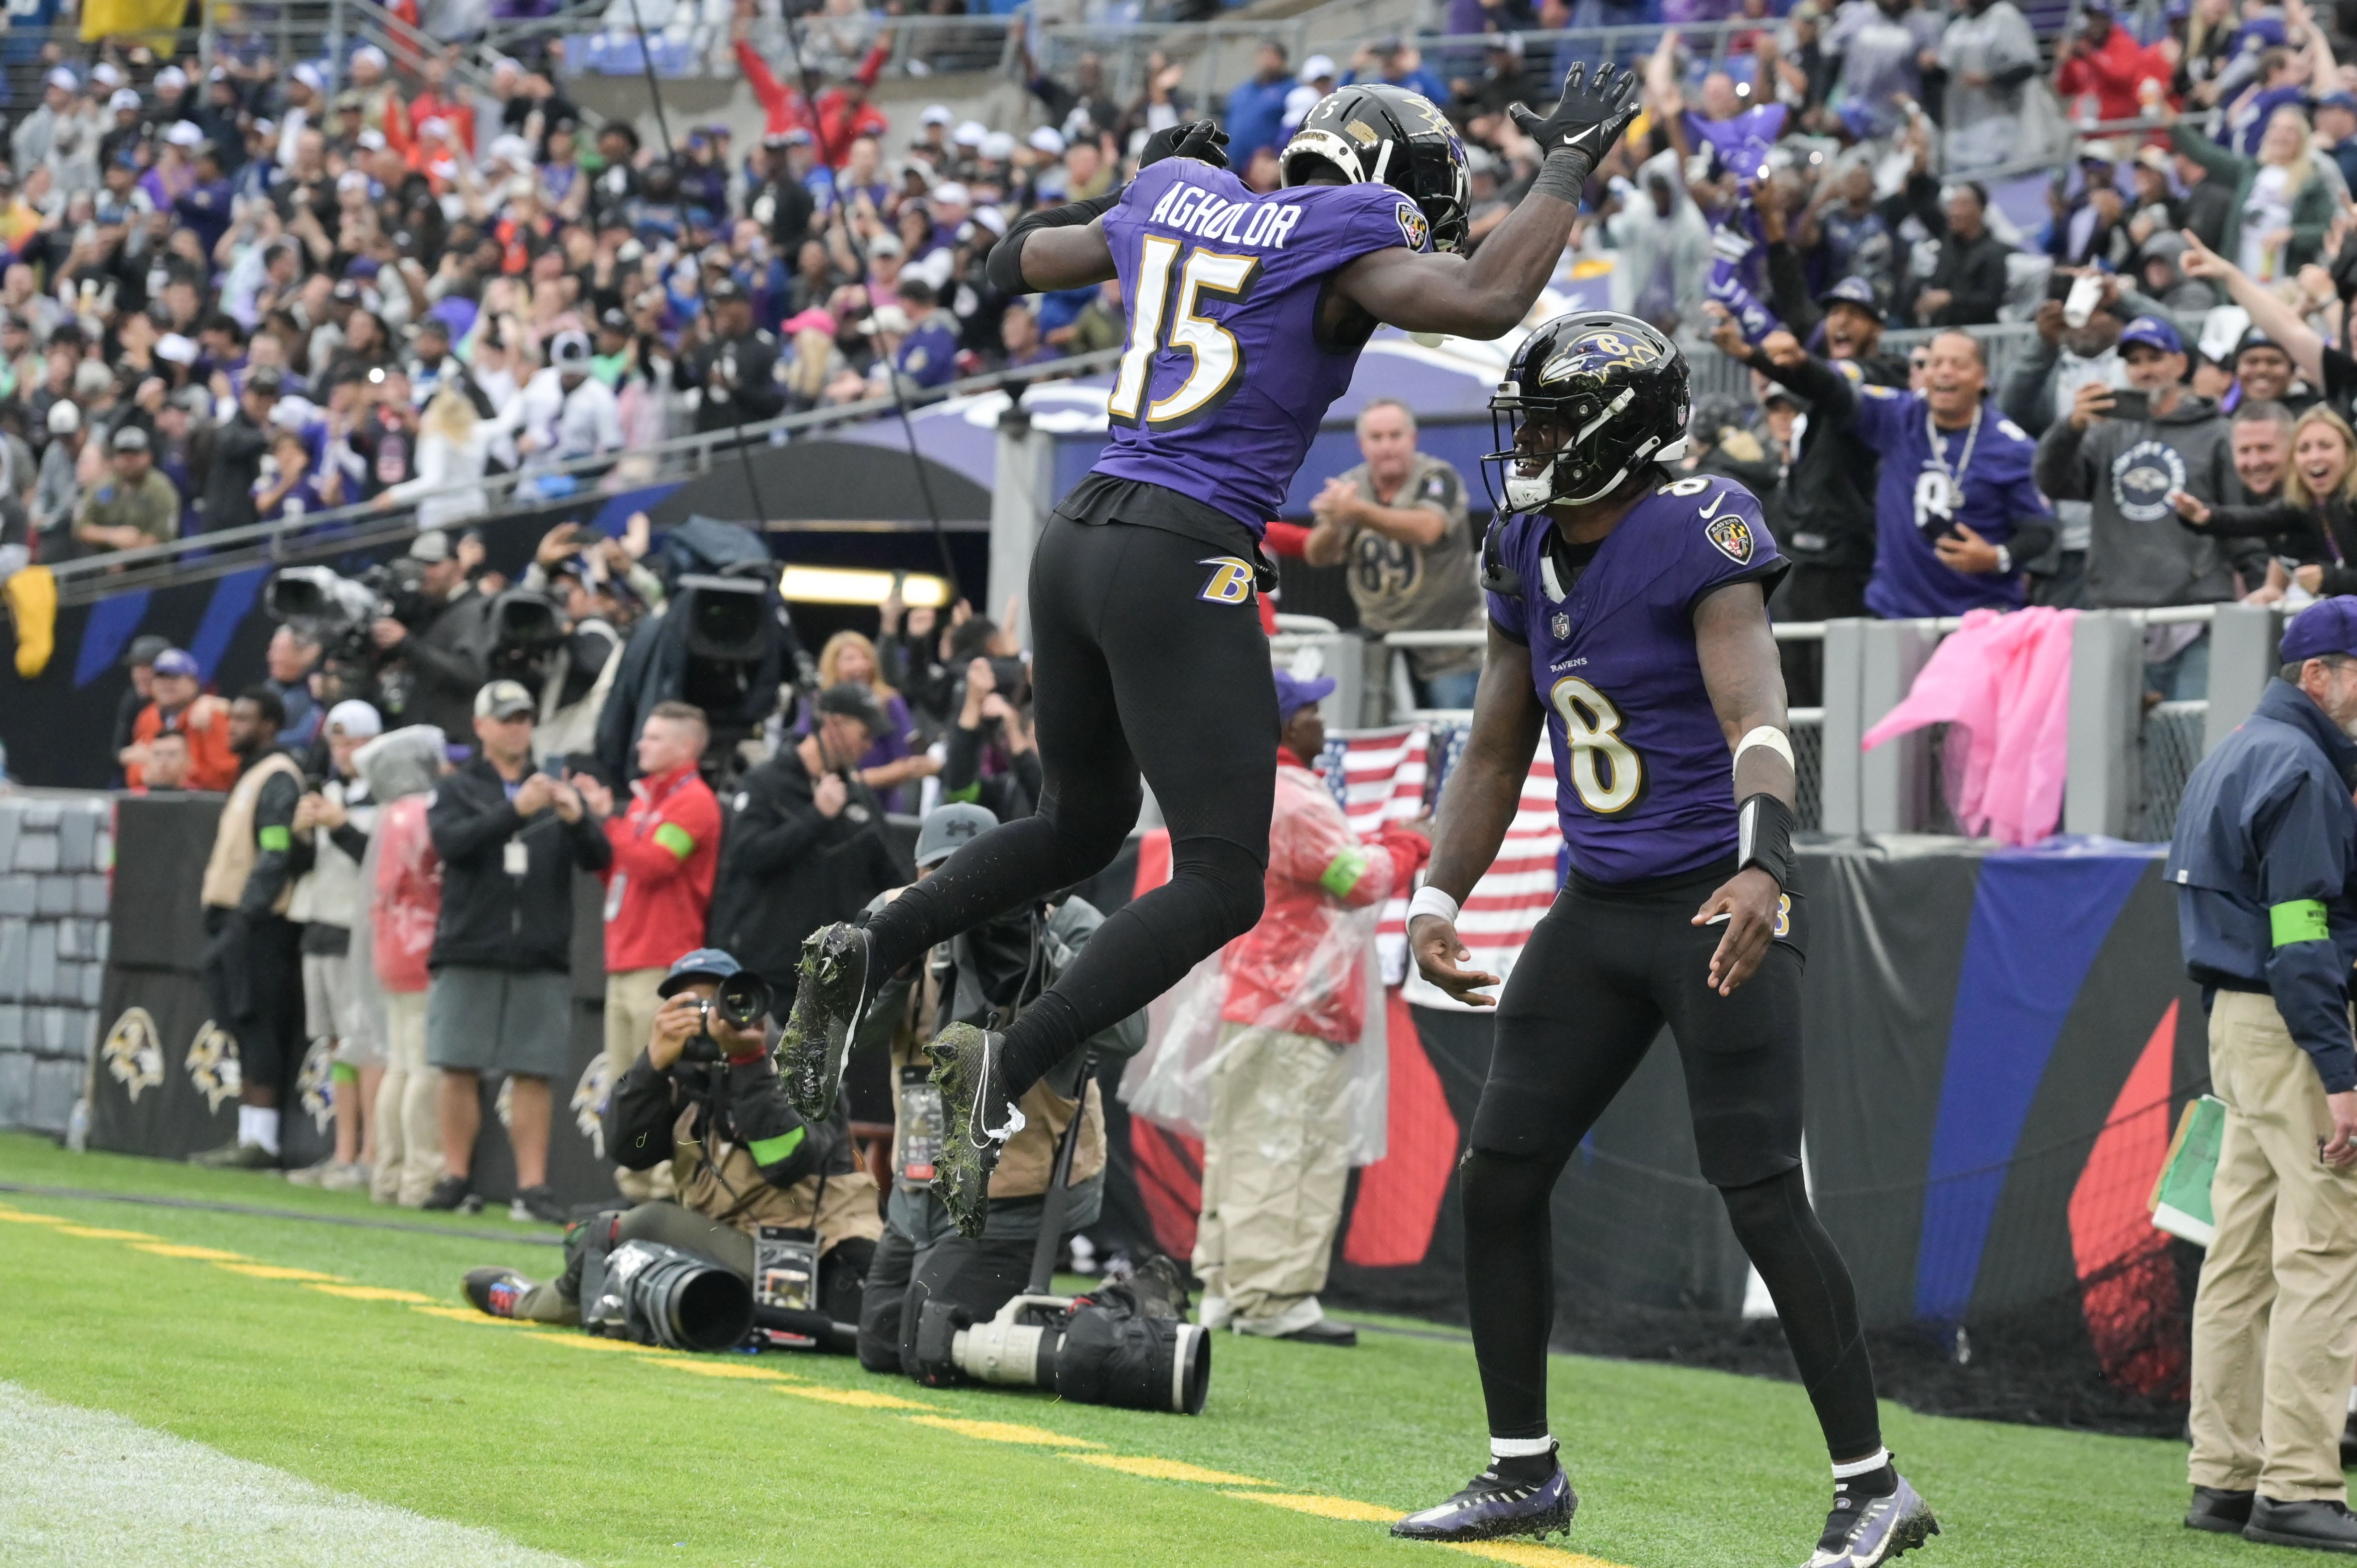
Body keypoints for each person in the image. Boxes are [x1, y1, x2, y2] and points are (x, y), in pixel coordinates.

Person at [783, 70, 1645, 1241]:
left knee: (1081, 821)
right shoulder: (1341, 233)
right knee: (1222, 873)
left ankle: (874, 939)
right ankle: (1004, 1065)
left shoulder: (1173, 196)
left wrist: (1139, 179)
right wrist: (1564, 166)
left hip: (1076, 535)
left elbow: (1006, 264)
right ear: (1387, 182)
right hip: (1184, 548)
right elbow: (1491, 297)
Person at [1389, 311, 1934, 1557]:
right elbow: (1493, 743)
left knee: (1757, 1193)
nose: (1524, 443)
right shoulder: (1521, 541)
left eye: (1546, 421)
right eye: (1520, 419)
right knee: (1502, 1171)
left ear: (1619, 432)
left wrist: (1763, 863)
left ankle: (1872, 1484)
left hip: (1714, 893)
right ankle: (1521, 1469)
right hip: (1596, 903)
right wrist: (1434, 895)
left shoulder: (1699, 524)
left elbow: (1755, 713)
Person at [2166, 598, 2357, 1552]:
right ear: (2317, 675)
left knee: (2236, 1254)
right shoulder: (2302, 769)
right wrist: (2338, 1069)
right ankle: (2297, 1484)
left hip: (2235, 1026)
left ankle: (2223, 1477)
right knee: (2321, 1244)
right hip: (2289, 1028)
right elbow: (2301, 936)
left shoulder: (2233, 750)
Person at [851, 802, 1147, 1377]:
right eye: (940, 879)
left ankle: (1129, 1308)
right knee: (882, 1348)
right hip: (918, 1192)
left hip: (1014, 1194)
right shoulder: (894, 918)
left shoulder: (1063, 921)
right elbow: (847, 1044)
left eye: (974, 876)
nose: (958, 896)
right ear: (917, 879)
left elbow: (1129, 1035)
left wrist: (1040, 948)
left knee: (928, 1348)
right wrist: (898, 964)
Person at [460, 947, 882, 1336]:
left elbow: (787, 1162)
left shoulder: (798, 1064)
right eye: (687, 1008)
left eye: (716, 1005)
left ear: (748, 1005)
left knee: (639, 1226)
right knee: (591, 1233)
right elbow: (631, 1151)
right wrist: (651, 1067)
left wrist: (747, 1065)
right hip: (739, 1252)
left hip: (821, 1259)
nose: (704, 1019)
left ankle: (529, 1303)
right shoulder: (686, 1080)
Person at [1194, 670, 1426, 1346]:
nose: (1324, 723)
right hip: (1296, 1003)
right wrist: (1410, 843)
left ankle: (1223, 1286)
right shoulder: (1291, 795)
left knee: (1238, 1147)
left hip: (1252, 995)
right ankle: (1274, 1298)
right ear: (1283, 723)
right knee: (1288, 1150)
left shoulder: (1242, 783)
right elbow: (1355, 880)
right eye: (1311, 711)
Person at [421, 680, 613, 1222]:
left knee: (534, 1070)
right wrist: (515, 813)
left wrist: (577, 819)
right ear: (481, 726)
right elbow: (451, 846)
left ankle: (532, 1187)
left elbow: (599, 856)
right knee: (457, 1064)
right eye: (506, 718)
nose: (517, 727)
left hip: (539, 950)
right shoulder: (459, 787)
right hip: (470, 944)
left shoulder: (555, 787)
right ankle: (456, 1175)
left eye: (525, 718)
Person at [1752, 327, 2052, 618]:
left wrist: (1995, 557)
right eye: (1935, 363)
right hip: (1897, 613)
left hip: (1978, 617)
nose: (1945, 372)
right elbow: (1834, 392)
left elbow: (2041, 531)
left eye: (1958, 364)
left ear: (1982, 377)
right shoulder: (1900, 415)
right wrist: (1795, 362)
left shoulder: (2012, 447)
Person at [2034, 315, 2238, 695]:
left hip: (2193, 615)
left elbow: (2238, 519)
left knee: (2193, 741)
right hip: (2117, 614)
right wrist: (2070, 428)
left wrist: (2255, 585)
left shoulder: (2215, 432)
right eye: (2134, 361)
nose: (2144, 371)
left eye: (2154, 358)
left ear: (2179, 364)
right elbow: (2052, 482)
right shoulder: (2105, 432)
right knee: (2115, 748)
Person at [572, 702, 722, 1201]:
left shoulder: (694, 802)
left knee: (664, 1083)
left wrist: (606, 823)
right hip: (626, 959)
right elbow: (620, 870)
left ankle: (665, 1189)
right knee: (626, 1083)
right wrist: (600, 826)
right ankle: (632, 1186)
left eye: (654, 738)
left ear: (685, 747)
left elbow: (656, 863)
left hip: (663, 964)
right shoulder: (643, 803)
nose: (641, 745)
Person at [706, 682, 902, 1005]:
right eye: (865, 734)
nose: (870, 745)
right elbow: (747, 854)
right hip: (764, 971)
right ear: (834, 725)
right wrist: (817, 816)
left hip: (827, 974)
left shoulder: (858, 797)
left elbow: (891, 876)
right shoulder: (765, 783)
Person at [190, 690, 310, 1169]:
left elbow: (276, 848)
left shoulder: (278, 777)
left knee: (257, 1021)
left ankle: (262, 1139)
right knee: (242, 1023)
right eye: (232, 716)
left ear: (270, 726)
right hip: (241, 917)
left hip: (259, 922)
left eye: (244, 718)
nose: (232, 725)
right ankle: (248, 1134)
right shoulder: (256, 773)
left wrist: (248, 913)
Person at [1303, 397, 1483, 710]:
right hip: (1379, 648)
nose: (1387, 446)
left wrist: (1356, 511)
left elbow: (1427, 529)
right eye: (1377, 437)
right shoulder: (1350, 487)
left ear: (1413, 438)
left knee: (1456, 742)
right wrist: (1335, 524)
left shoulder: (1438, 477)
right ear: (1362, 444)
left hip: (1447, 647)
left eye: (1395, 436)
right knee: (1377, 745)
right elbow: (1317, 556)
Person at [283, 699, 383, 1190]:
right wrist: (300, 834)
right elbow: (297, 867)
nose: (343, 752)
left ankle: (369, 1154)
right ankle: (342, 1152)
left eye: (353, 741)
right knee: (337, 1046)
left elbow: (376, 862)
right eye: (337, 742)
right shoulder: (329, 792)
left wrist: (338, 825)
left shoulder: (384, 798)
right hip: (318, 924)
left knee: (363, 1045)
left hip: (357, 931)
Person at [356, 724, 449, 1208]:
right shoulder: (422, 814)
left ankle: (386, 1173)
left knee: (397, 1065)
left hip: (390, 948)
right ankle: (420, 1175)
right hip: (421, 948)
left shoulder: (388, 816)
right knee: (423, 1067)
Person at [122, 647, 237, 792]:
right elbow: (135, 771)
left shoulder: (210, 713)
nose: (166, 684)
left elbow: (225, 774)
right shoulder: (147, 717)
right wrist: (146, 775)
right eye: (161, 677)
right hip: (156, 799)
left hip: (202, 802)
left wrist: (178, 778)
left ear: (193, 682)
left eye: (174, 677)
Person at [71, 424, 180, 557]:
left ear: (148, 456)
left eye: (135, 454)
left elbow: (162, 536)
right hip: (107, 568)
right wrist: (112, 536)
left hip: (151, 568)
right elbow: (80, 526)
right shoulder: (103, 486)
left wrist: (128, 553)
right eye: (123, 455)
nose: (129, 461)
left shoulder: (161, 489)